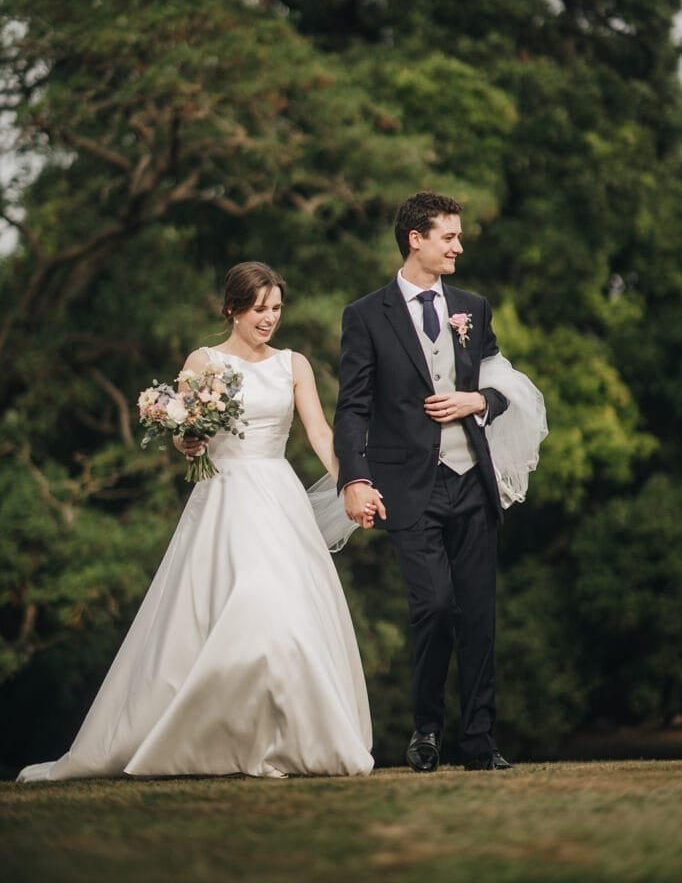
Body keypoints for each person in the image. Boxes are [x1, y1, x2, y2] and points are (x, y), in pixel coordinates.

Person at [18, 261, 373, 781]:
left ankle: (283, 737)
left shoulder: (293, 364)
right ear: (232, 309)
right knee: (232, 607)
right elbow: (187, 437)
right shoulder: (204, 361)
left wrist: (352, 482)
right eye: (259, 308)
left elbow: (320, 433)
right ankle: (213, 737)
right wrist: (187, 442)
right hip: (224, 497)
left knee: (283, 613)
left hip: (278, 497)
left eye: (276, 308)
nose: (269, 318)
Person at [334, 191, 546, 773]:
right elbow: (352, 408)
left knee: (478, 614)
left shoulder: (473, 308)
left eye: (457, 237)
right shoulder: (365, 315)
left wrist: (479, 400)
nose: (458, 247)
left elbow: (506, 384)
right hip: (408, 487)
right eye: (448, 237)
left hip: (471, 480)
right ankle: (427, 728)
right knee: (433, 605)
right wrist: (354, 478)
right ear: (416, 240)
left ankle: (479, 740)